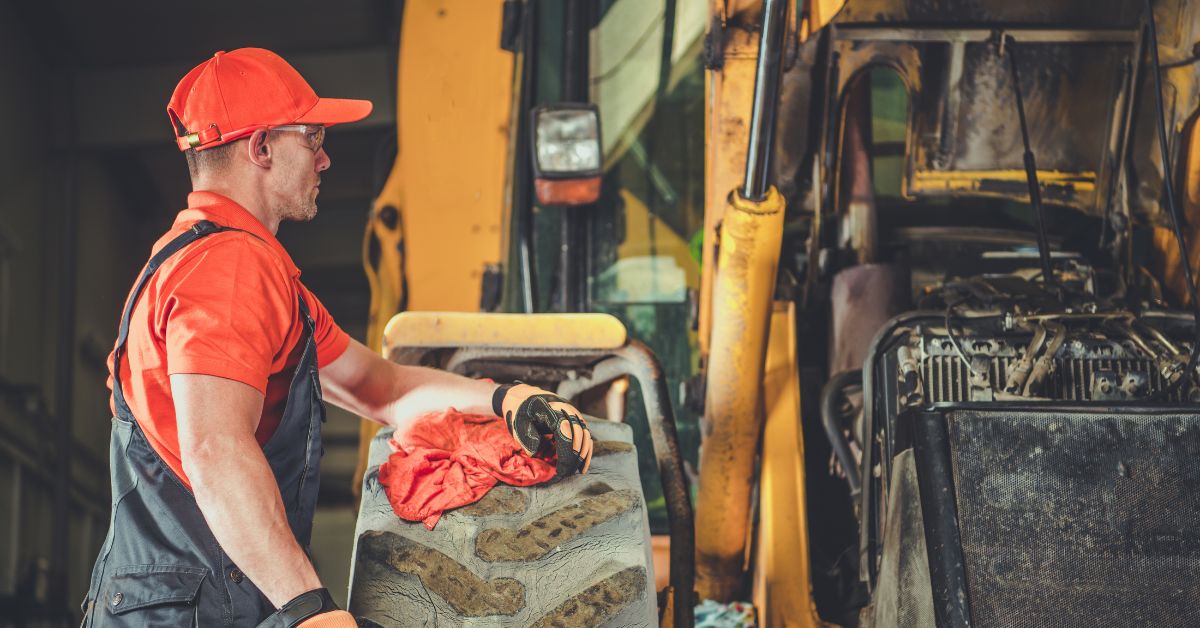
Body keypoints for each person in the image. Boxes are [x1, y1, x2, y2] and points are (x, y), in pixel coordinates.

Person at [80, 48, 593, 628]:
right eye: (313, 136)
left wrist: (506, 398)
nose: (325, 159)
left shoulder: (247, 271)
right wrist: (307, 610)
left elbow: (384, 389)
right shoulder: (228, 269)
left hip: (191, 599)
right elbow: (215, 449)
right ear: (262, 147)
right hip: (193, 611)